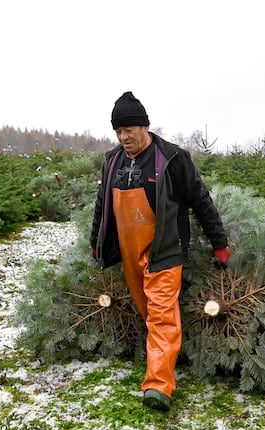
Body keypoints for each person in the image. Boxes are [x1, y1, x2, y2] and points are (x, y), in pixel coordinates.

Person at [90, 91, 230, 412]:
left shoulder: (171, 158)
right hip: (129, 254)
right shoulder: (112, 161)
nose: (123, 137)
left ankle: (158, 385)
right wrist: (97, 243)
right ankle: (162, 358)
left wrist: (218, 242)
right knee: (149, 313)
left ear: (145, 127)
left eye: (129, 130)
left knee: (162, 315)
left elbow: (201, 201)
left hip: (165, 252)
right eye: (118, 131)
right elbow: (103, 205)